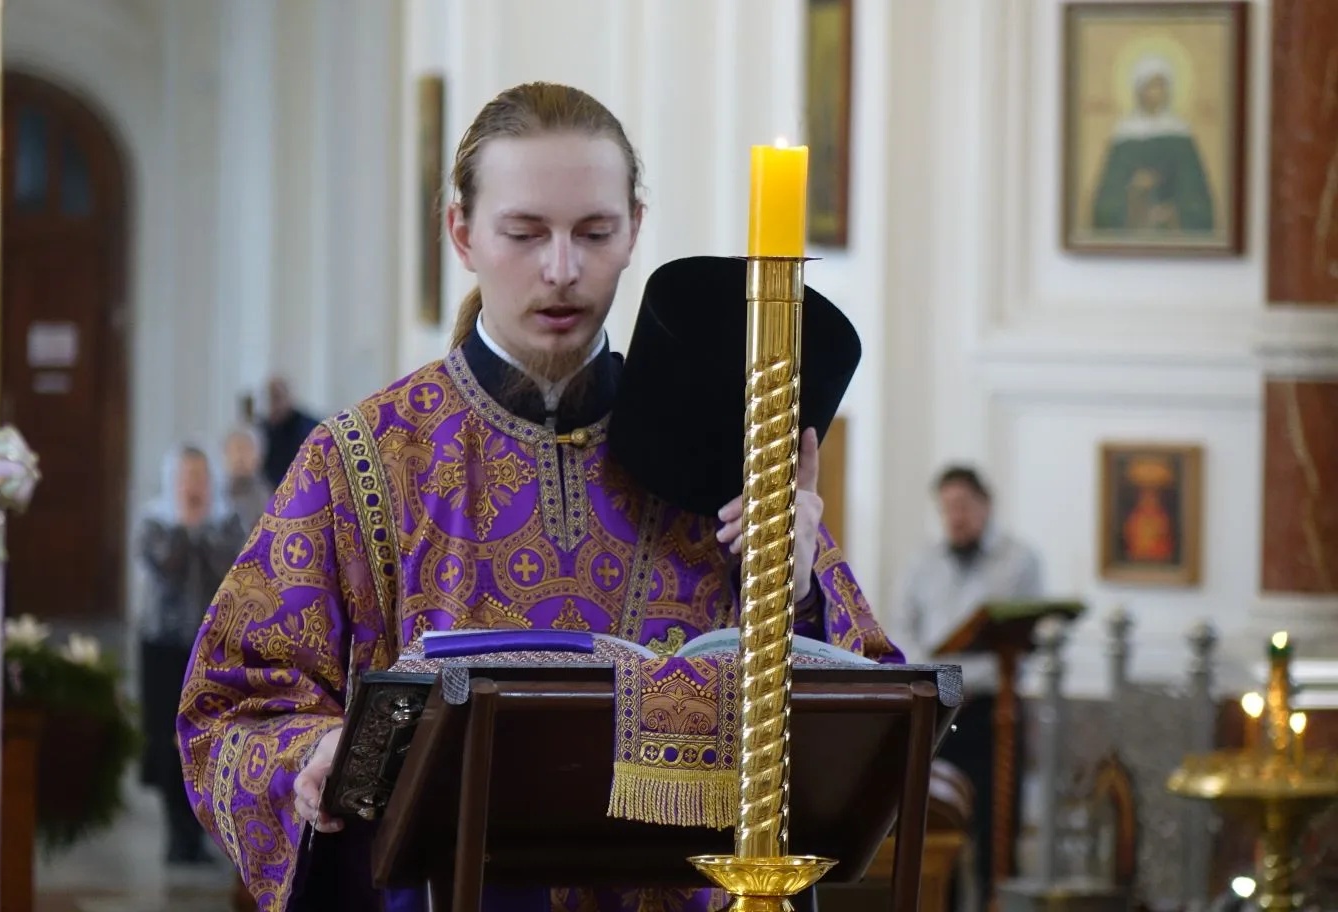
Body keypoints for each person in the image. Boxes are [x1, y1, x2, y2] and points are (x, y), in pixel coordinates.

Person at [177, 81, 903, 912]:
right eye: (525, 233)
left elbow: (873, 704)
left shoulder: (726, 450)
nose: (562, 270)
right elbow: (227, 710)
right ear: (462, 233)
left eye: (594, 233)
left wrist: (796, 589)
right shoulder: (363, 460)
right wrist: (309, 756)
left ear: (634, 230)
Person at [895, 464, 1042, 908]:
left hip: (992, 711)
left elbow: (1020, 647)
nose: (955, 518)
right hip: (938, 710)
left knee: (997, 825)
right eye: (947, 509)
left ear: (985, 504)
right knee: (939, 823)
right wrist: (937, 670)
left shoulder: (1019, 561)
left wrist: (950, 670)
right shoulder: (922, 564)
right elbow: (903, 634)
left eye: (963, 506)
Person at [137, 444, 246, 864]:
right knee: (167, 740)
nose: (193, 485)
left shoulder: (228, 523)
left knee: (208, 736)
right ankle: (177, 833)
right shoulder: (155, 522)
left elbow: (232, 571)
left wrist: (203, 528)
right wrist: (185, 525)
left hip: (214, 648)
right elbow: (166, 565)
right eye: (186, 477)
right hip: (164, 646)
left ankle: (204, 832)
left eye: (200, 476)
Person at [1090, 55, 1215, 235]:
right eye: (1150, 86)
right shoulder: (1124, 135)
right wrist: (1134, 188)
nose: (1157, 92)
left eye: (1161, 86)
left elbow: (1195, 192)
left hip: (1173, 227)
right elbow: (1108, 199)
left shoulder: (1181, 133)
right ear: (1138, 91)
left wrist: (1173, 210)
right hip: (1133, 225)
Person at [259, 378, 319, 489]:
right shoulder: (262, 428)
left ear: (289, 397)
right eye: (269, 399)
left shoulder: (308, 427)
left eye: (277, 397)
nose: (274, 404)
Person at [221, 424, 273, 533]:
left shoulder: (268, 500)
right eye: (235, 450)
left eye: (245, 449)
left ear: (258, 457)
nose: (239, 457)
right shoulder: (214, 495)